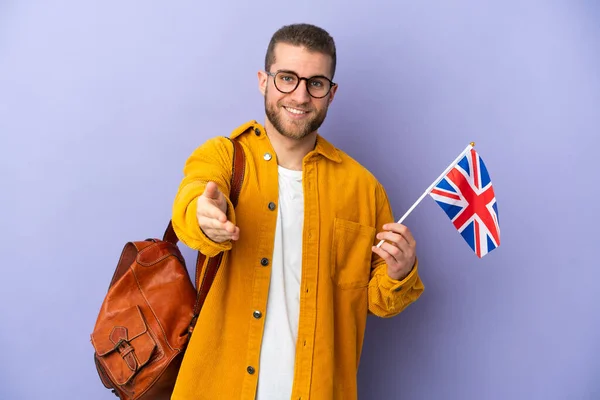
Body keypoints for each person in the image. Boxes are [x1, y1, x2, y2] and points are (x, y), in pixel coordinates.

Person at [170, 23, 424, 400]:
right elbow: (191, 202)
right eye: (287, 78)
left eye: (316, 83)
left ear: (331, 93)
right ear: (263, 80)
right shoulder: (224, 156)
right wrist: (205, 216)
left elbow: (375, 300)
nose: (300, 96)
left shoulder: (363, 188)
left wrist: (400, 272)